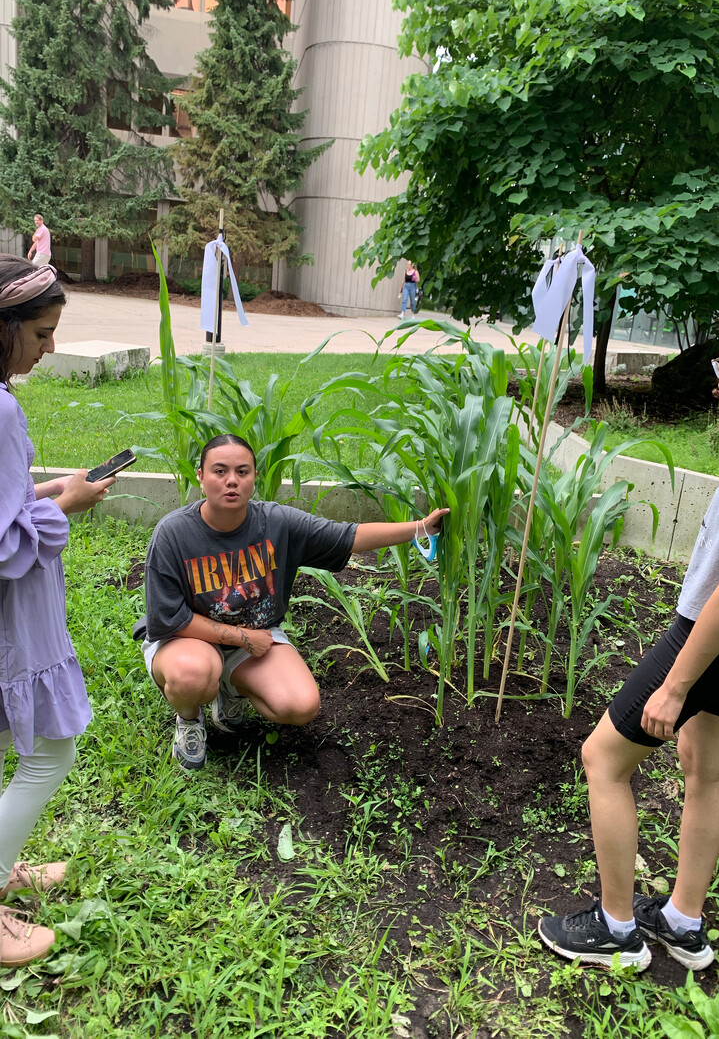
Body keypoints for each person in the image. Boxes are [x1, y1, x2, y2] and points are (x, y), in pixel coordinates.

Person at [539, 293, 719, 972]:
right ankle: (683, 921)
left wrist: (677, 680)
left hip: (718, 634)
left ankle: (616, 930)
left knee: (604, 757)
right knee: (705, 765)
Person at [136, 433, 448, 770]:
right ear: (200, 475)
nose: (231, 481)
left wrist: (419, 528)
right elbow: (169, 618)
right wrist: (241, 637)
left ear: (255, 477)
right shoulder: (173, 534)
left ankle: (231, 689)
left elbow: (348, 536)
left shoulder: (276, 522)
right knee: (193, 674)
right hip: (189, 640)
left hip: (253, 639)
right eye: (219, 471)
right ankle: (190, 720)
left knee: (301, 705)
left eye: (242, 472)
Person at [0, 256, 115, 967]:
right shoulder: (2, 408)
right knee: (50, 749)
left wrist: (44, 490)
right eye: (40, 333)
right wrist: (65, 504)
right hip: (14, 614)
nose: (49, 347)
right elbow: (7, 542)